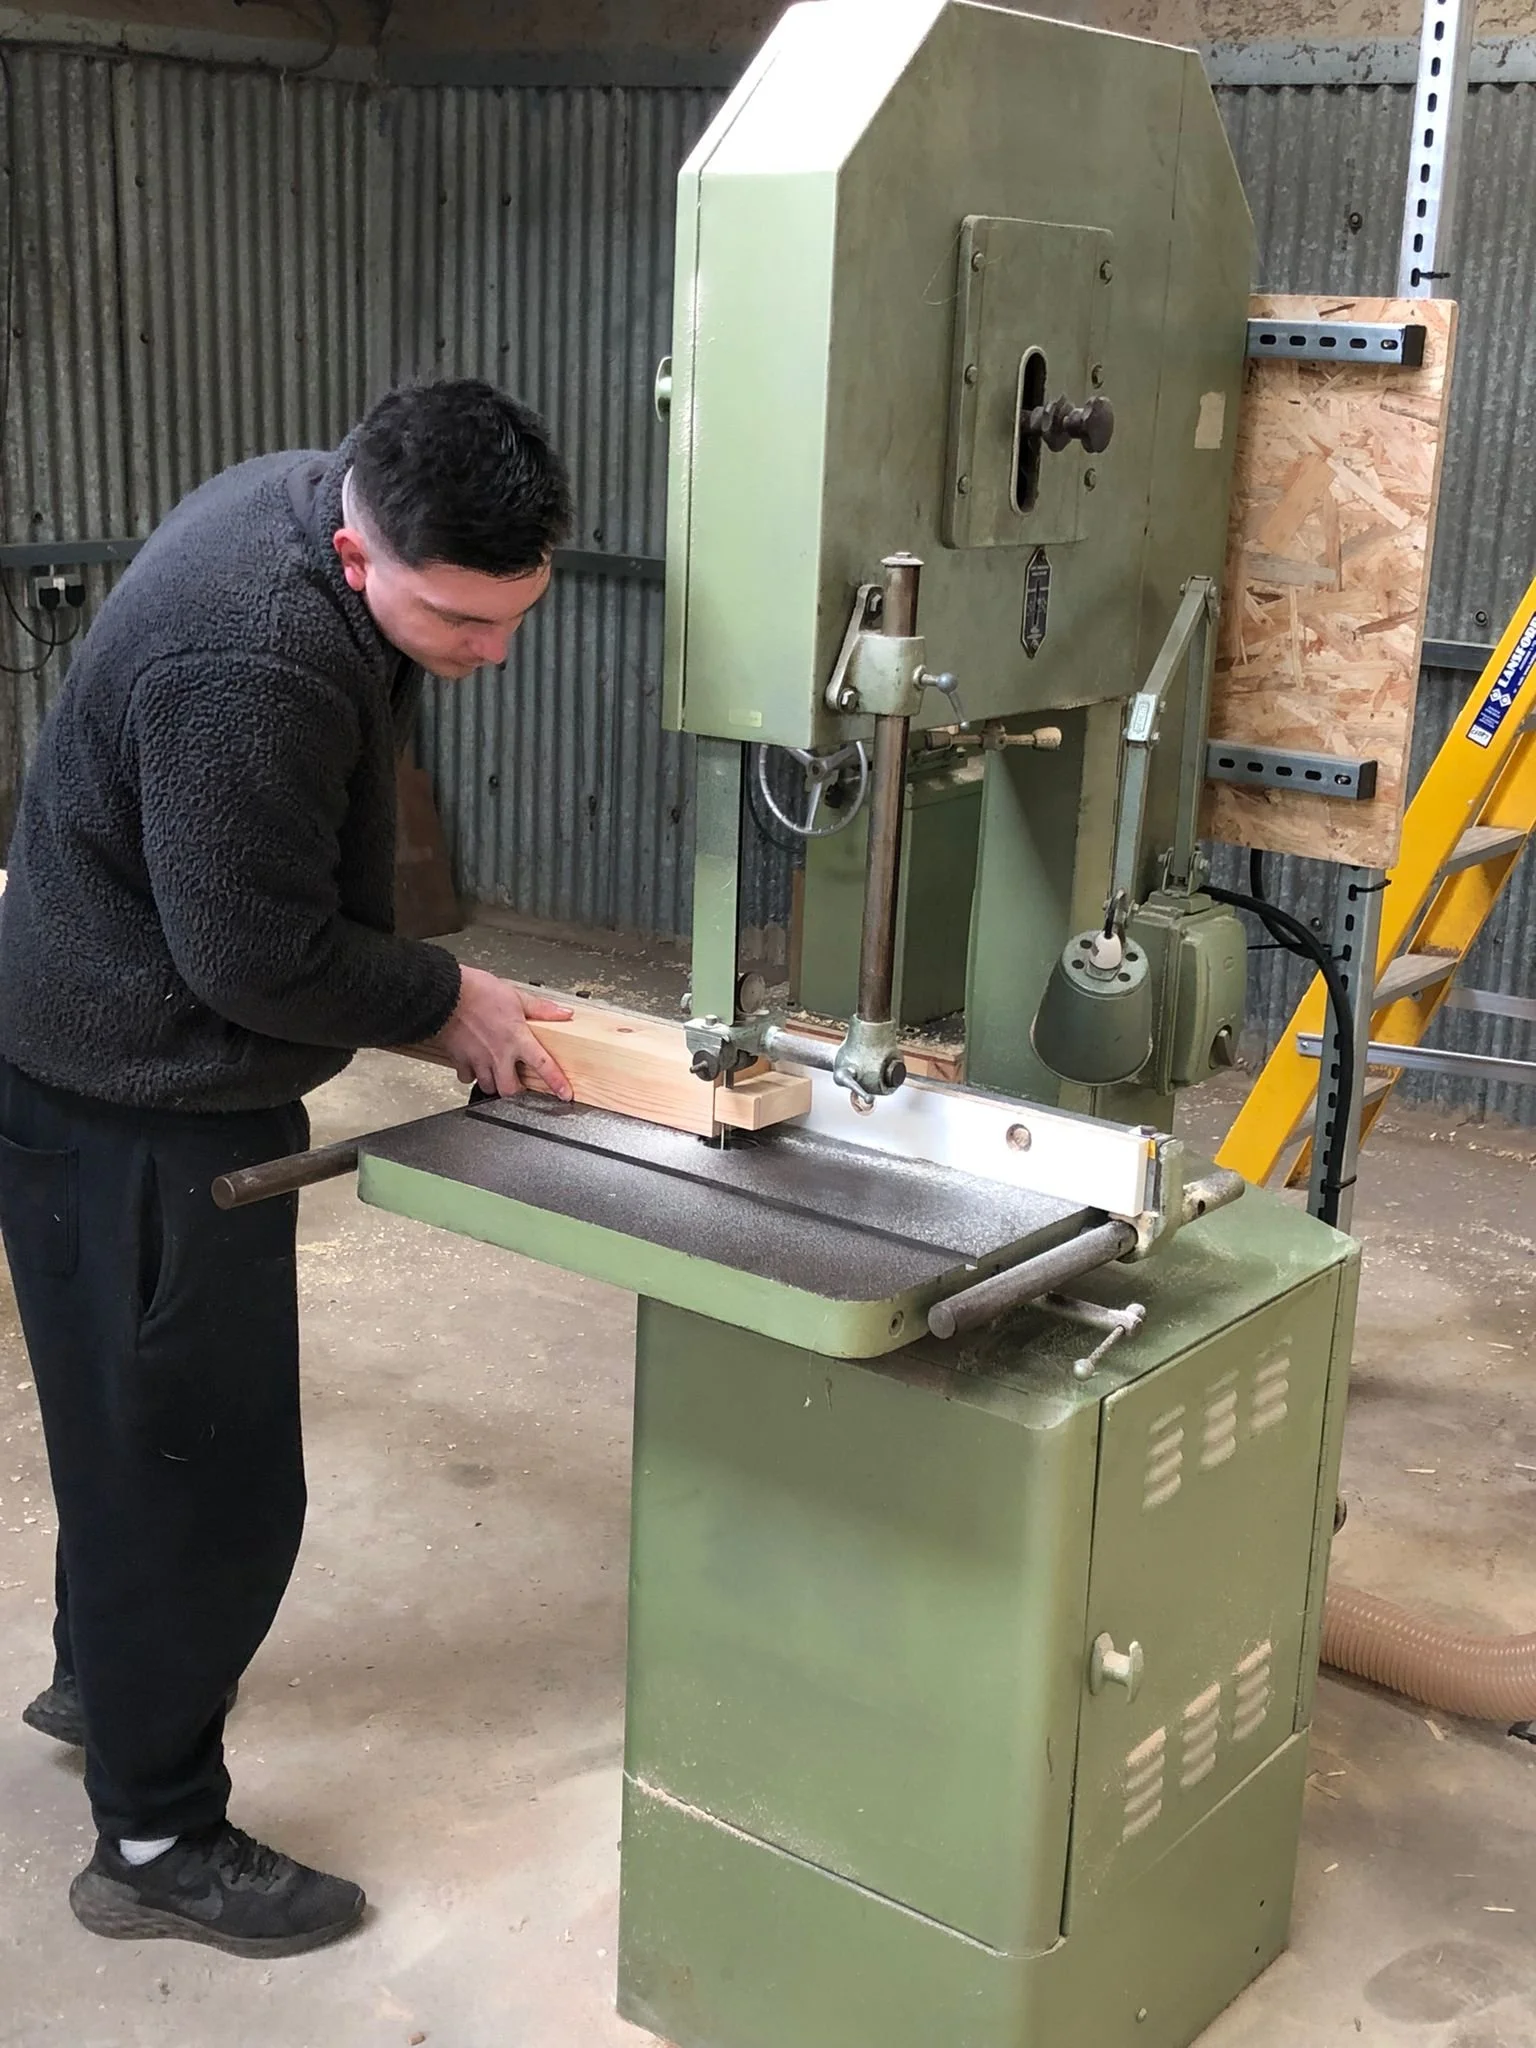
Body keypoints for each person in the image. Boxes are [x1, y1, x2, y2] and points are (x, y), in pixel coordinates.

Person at [0, 379, 577, 1956]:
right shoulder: (249, 657)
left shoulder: (313, 512)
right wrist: (442, 999)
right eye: (462, 623)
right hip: (135, 1093)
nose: (491, 651)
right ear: (353, 547)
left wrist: (421, 981)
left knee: (132, 1444)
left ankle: (98, 1682)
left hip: (100, 1054)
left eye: (515, 615)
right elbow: (252, 955)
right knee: (209, 1489)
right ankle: (154, 1838)